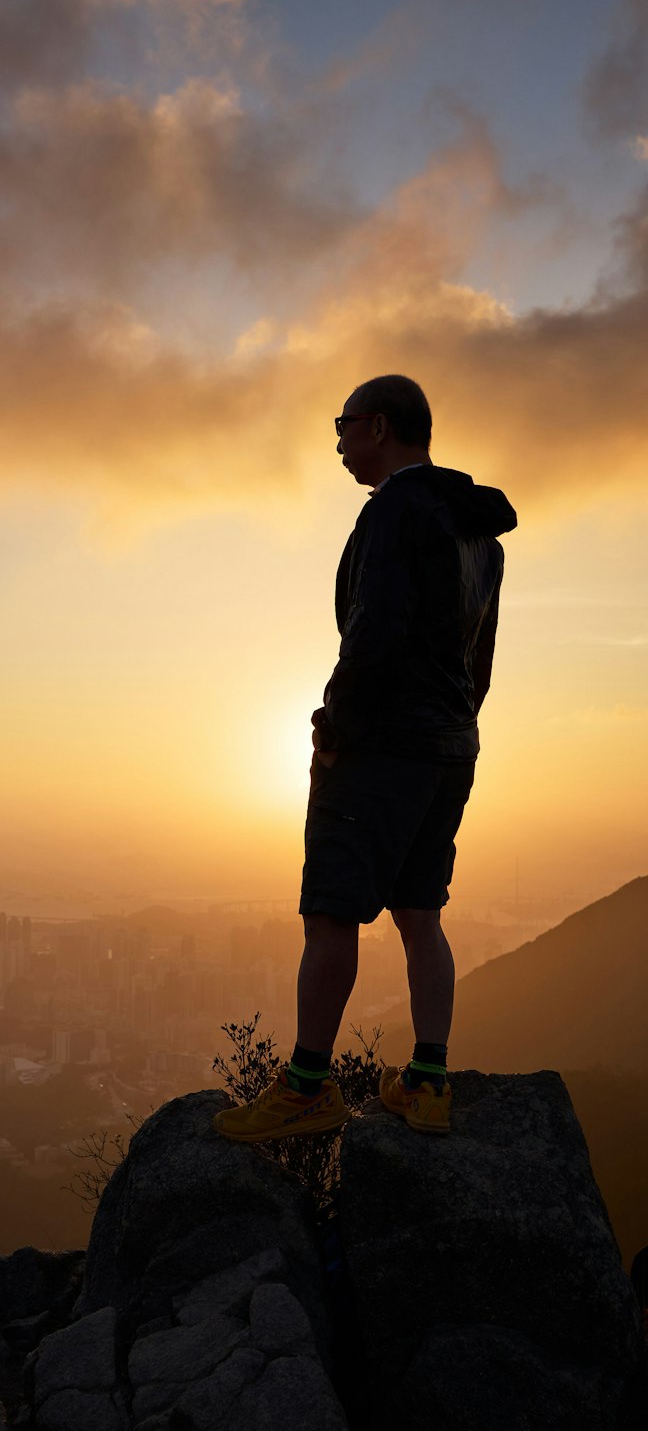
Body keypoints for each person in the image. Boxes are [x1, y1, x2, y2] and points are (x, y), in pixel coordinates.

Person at [214, 374, 516, 1141]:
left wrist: (335, 728)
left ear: (380, 426)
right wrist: (452, 725)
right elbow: (479, 659)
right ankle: (428, 1080)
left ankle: (309, 1085)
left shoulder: (394, 514)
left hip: (382, 745)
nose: (340, 443)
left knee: (331, 913)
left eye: (345, 426)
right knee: (422, 913)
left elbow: (372, 634)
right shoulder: (476, 530)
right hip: (451, 746)